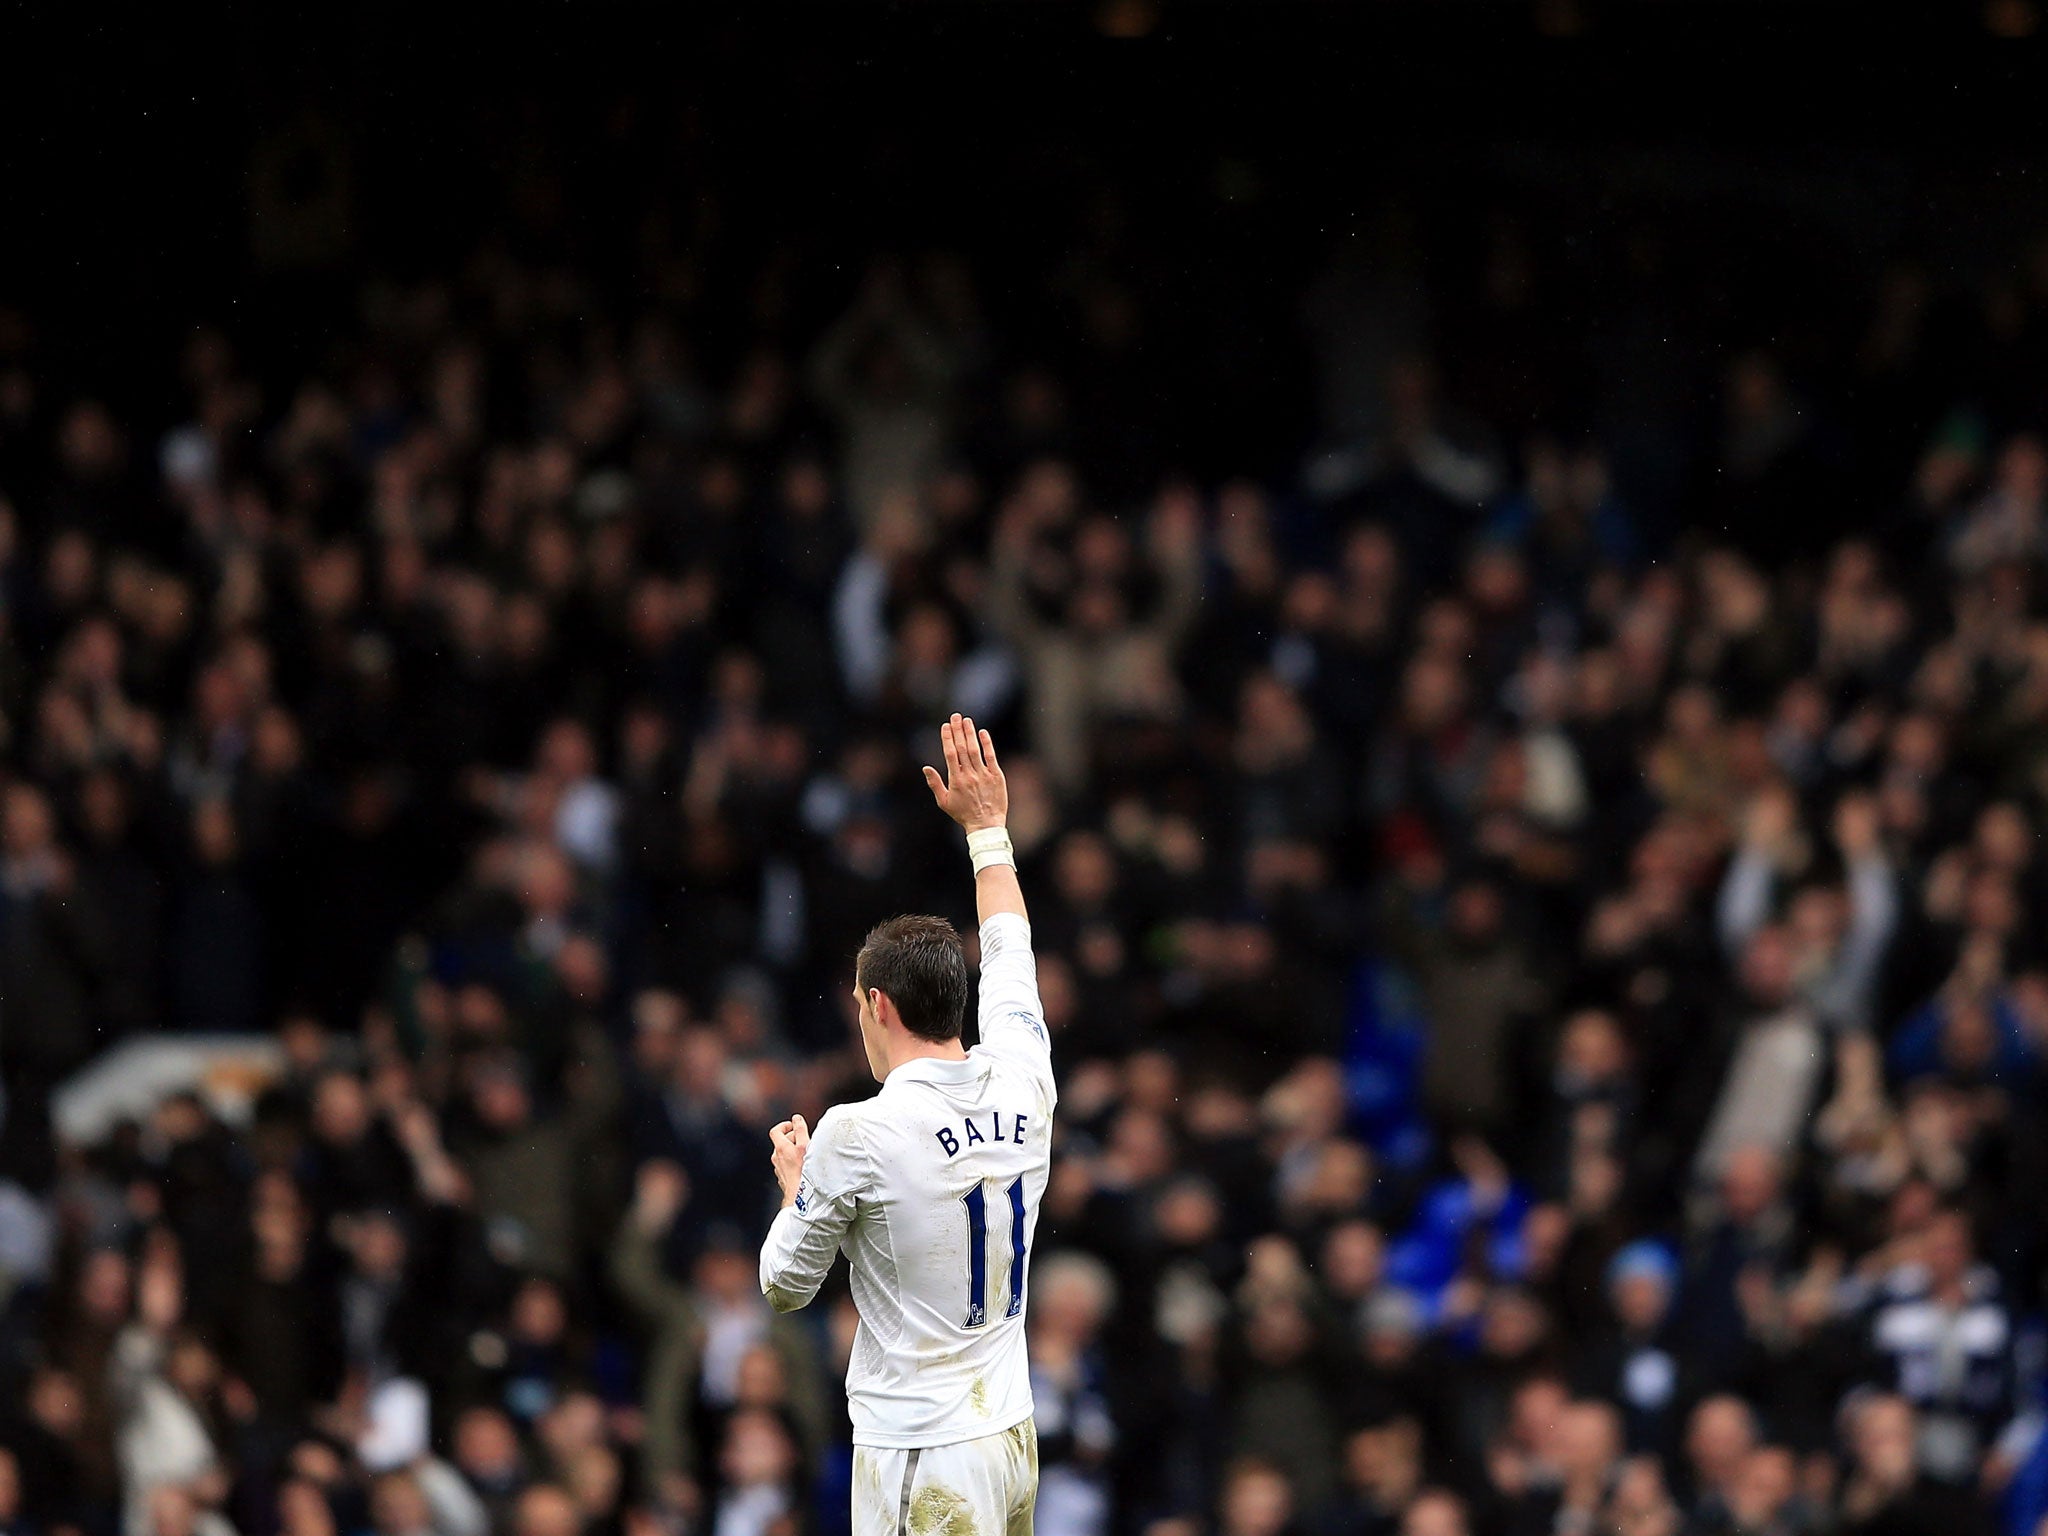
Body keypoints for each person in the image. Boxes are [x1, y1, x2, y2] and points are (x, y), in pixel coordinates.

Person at [759, 714, 1052, 1536]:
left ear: (877, 1006)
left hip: (923, 1453)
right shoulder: (1026, 1073)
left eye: (859, 1007)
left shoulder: (858, 1134)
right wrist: (988, 829)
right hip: (1010, 1437)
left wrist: (798, 1191)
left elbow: (784, 1285)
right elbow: (1010, 947)